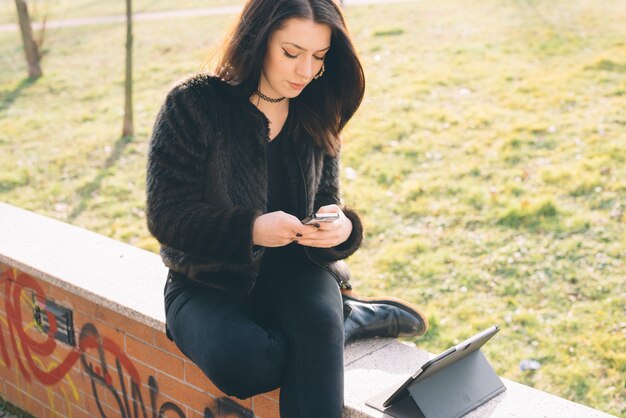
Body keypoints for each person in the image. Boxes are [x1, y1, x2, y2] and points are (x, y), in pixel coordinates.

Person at [146, 0, 428, 416]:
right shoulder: (193, 104)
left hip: (297, 269)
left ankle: (331, 321)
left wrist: (342, 228)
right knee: (245, 365)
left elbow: (327, 201)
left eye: (319, 57)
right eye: (291, 53)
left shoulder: (316, 107)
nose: (306, 71)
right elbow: (166, 214)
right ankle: (345, 321)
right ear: (256, 41)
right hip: (205, 279)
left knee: (314, 338)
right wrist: (252, 229)